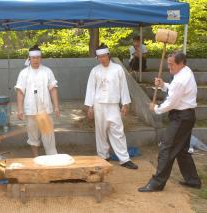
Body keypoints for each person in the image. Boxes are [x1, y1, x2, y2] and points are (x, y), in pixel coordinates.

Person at [138, 52, 201, 192]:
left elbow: (171, 102)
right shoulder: (185, 71)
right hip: (187, 116)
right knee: (182, 151)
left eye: (171, 64)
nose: (169, 66)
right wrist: (163, 85)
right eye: (168, 63)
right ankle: (193, 180)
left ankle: (157, 183)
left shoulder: (180, 80)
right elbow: (175, 90)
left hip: (181, 118)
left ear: (181, 63)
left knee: (166, 148)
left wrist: (156, 108)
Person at [84, 44, 138, 170]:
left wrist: (125, 103)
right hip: (99, 105)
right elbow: (91, 89)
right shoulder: (95, 70)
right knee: (101, 131)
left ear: (108, 55)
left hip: (113, 105)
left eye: (104, 56)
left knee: (118, 131)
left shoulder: (118, 69)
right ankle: (103, 156)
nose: (102, 59)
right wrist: (90, 107)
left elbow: (123, 86)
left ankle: (124, 159)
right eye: (99, 57)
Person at [15, 45, 60, 157]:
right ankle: (36, 158)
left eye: (38, 57)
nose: (36, 60)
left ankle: (52, 157)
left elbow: (53, 89)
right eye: (33, 58)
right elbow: (20, 92)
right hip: (30, 109)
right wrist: (20, 109)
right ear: (29, 59)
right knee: (33, 135)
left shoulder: (47, 71)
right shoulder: (23, 73)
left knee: (48, 134)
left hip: (45, 109)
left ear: (41, 58)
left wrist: (56, 107)